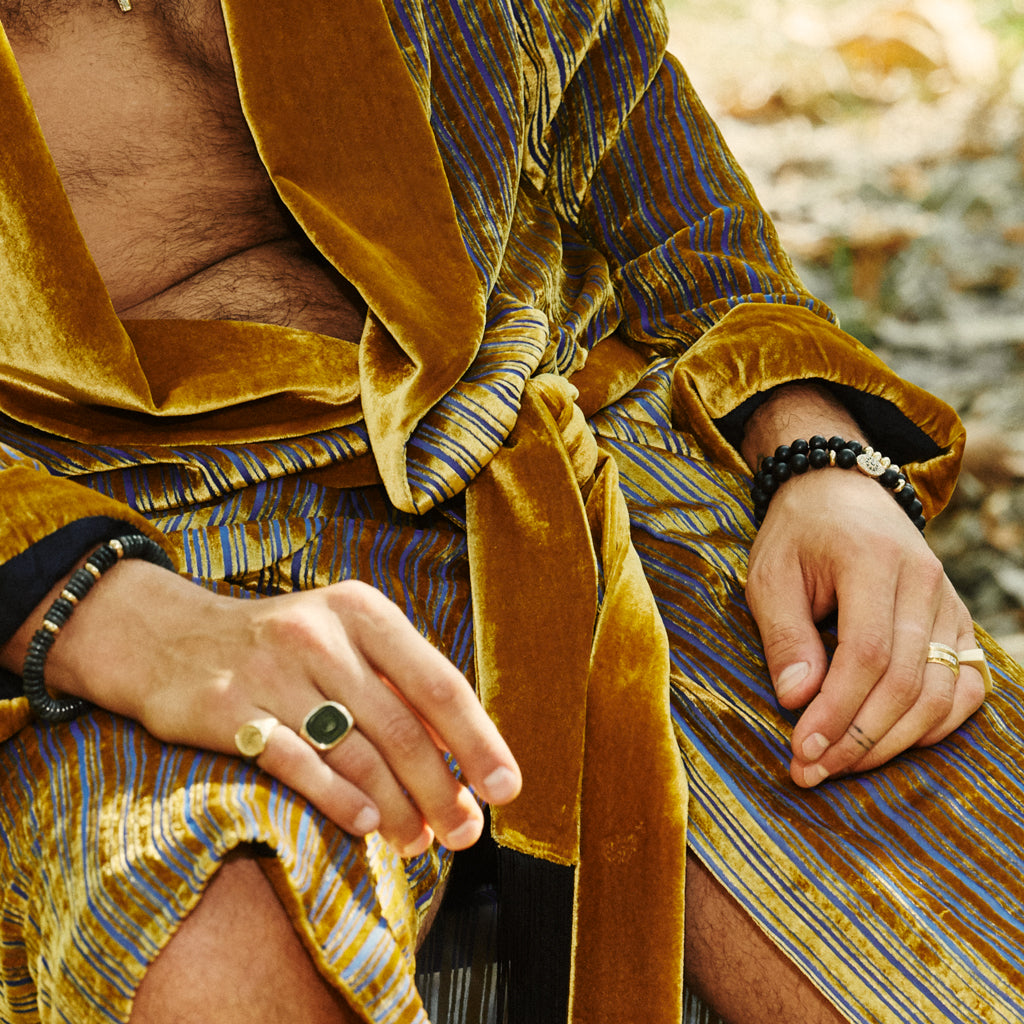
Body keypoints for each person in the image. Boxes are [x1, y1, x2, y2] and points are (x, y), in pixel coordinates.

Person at [0, 1, 1021, 1022]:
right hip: (136, 540)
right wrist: (105, 614)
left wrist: (819, 459)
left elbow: (657, 185)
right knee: (210, 954)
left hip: (574, 465)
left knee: (947, 877)